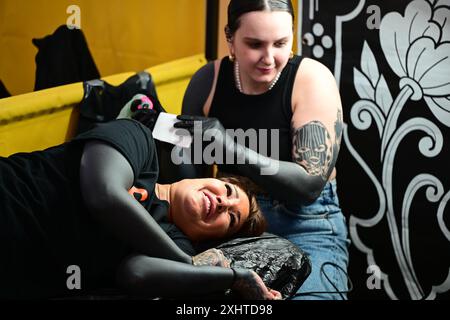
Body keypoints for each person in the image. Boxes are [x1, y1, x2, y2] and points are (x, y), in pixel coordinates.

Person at [177, 0, 350, 300]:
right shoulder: (208, 81)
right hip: (231, 223)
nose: (268, 58)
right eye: (254, 44)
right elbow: (190, 178)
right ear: (230, 38)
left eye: (281, 43)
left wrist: (230, 148)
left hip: (306, 224)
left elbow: (308, 186)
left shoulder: (312, 80)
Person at [0, 118, 281, 300]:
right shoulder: (140, 144)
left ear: (208, 240)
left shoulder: (174, 244)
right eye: (228, 191)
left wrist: (232, 277)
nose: (223, 202)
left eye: (231, 218)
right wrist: (187, 262)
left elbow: (136, 274)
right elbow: (104, 194)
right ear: (208, 177)